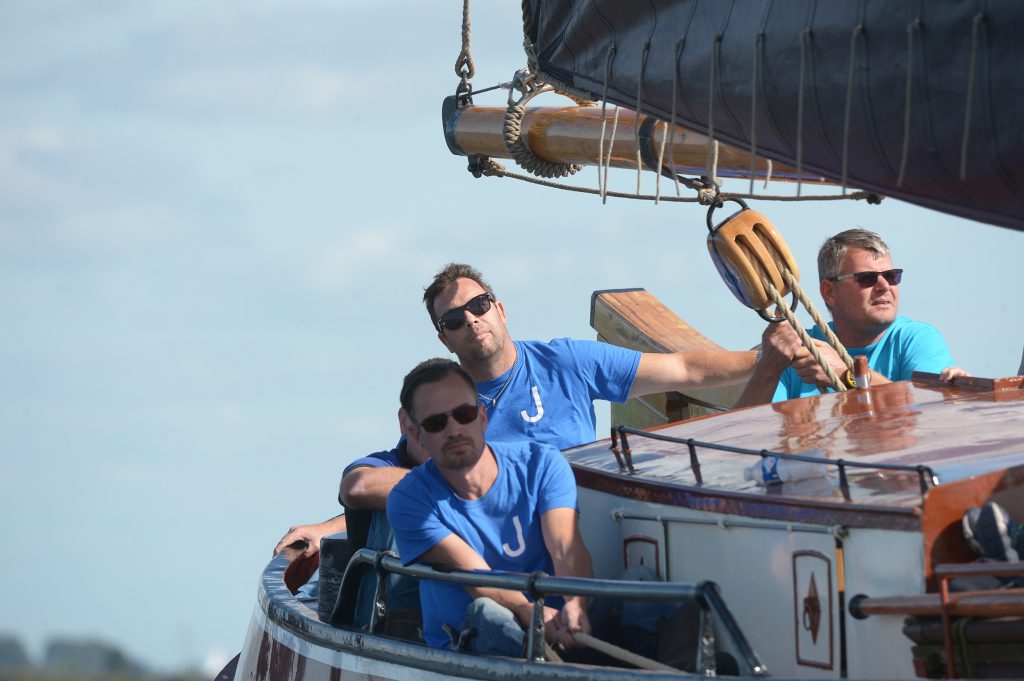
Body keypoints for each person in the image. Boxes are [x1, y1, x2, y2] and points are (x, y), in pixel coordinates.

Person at [423, 263, 769, 447]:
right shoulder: (444, 407)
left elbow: (685, 367)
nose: (470, 319)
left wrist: (769, 361)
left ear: (499, 310)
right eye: (454, 319)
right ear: (445, 341)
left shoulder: (565, 362)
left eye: (479, 305)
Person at [387, 358, 593, 655]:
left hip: (564, 630)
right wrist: (531, 613)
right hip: (469, 646)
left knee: (643, 591)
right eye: (436, 422)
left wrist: (575, 604)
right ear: (416, 433)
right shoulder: (409, 501)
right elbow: (480, 581)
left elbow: (566, 548)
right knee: (488, 612)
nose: (454, 429)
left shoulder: (543, 463)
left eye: (464, 414)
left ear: (482, 416)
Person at [735, 229, 967, 406]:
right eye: (867, 278)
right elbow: (741, 440)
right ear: (829, 292)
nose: (885, 286)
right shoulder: (797, 350)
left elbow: (927, 413)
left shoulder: (917, 339)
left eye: (892, 276)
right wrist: (768, 368)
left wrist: (846, 375)